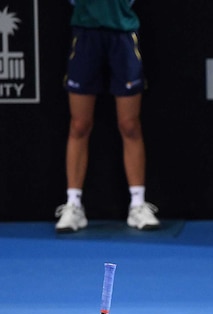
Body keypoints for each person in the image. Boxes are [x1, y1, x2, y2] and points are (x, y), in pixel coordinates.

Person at [55, 0, 160, 233]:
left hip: (122, 33)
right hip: (85, 33)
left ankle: (138, 204)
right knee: (79, 125)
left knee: (130, 125)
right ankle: (73, 205)